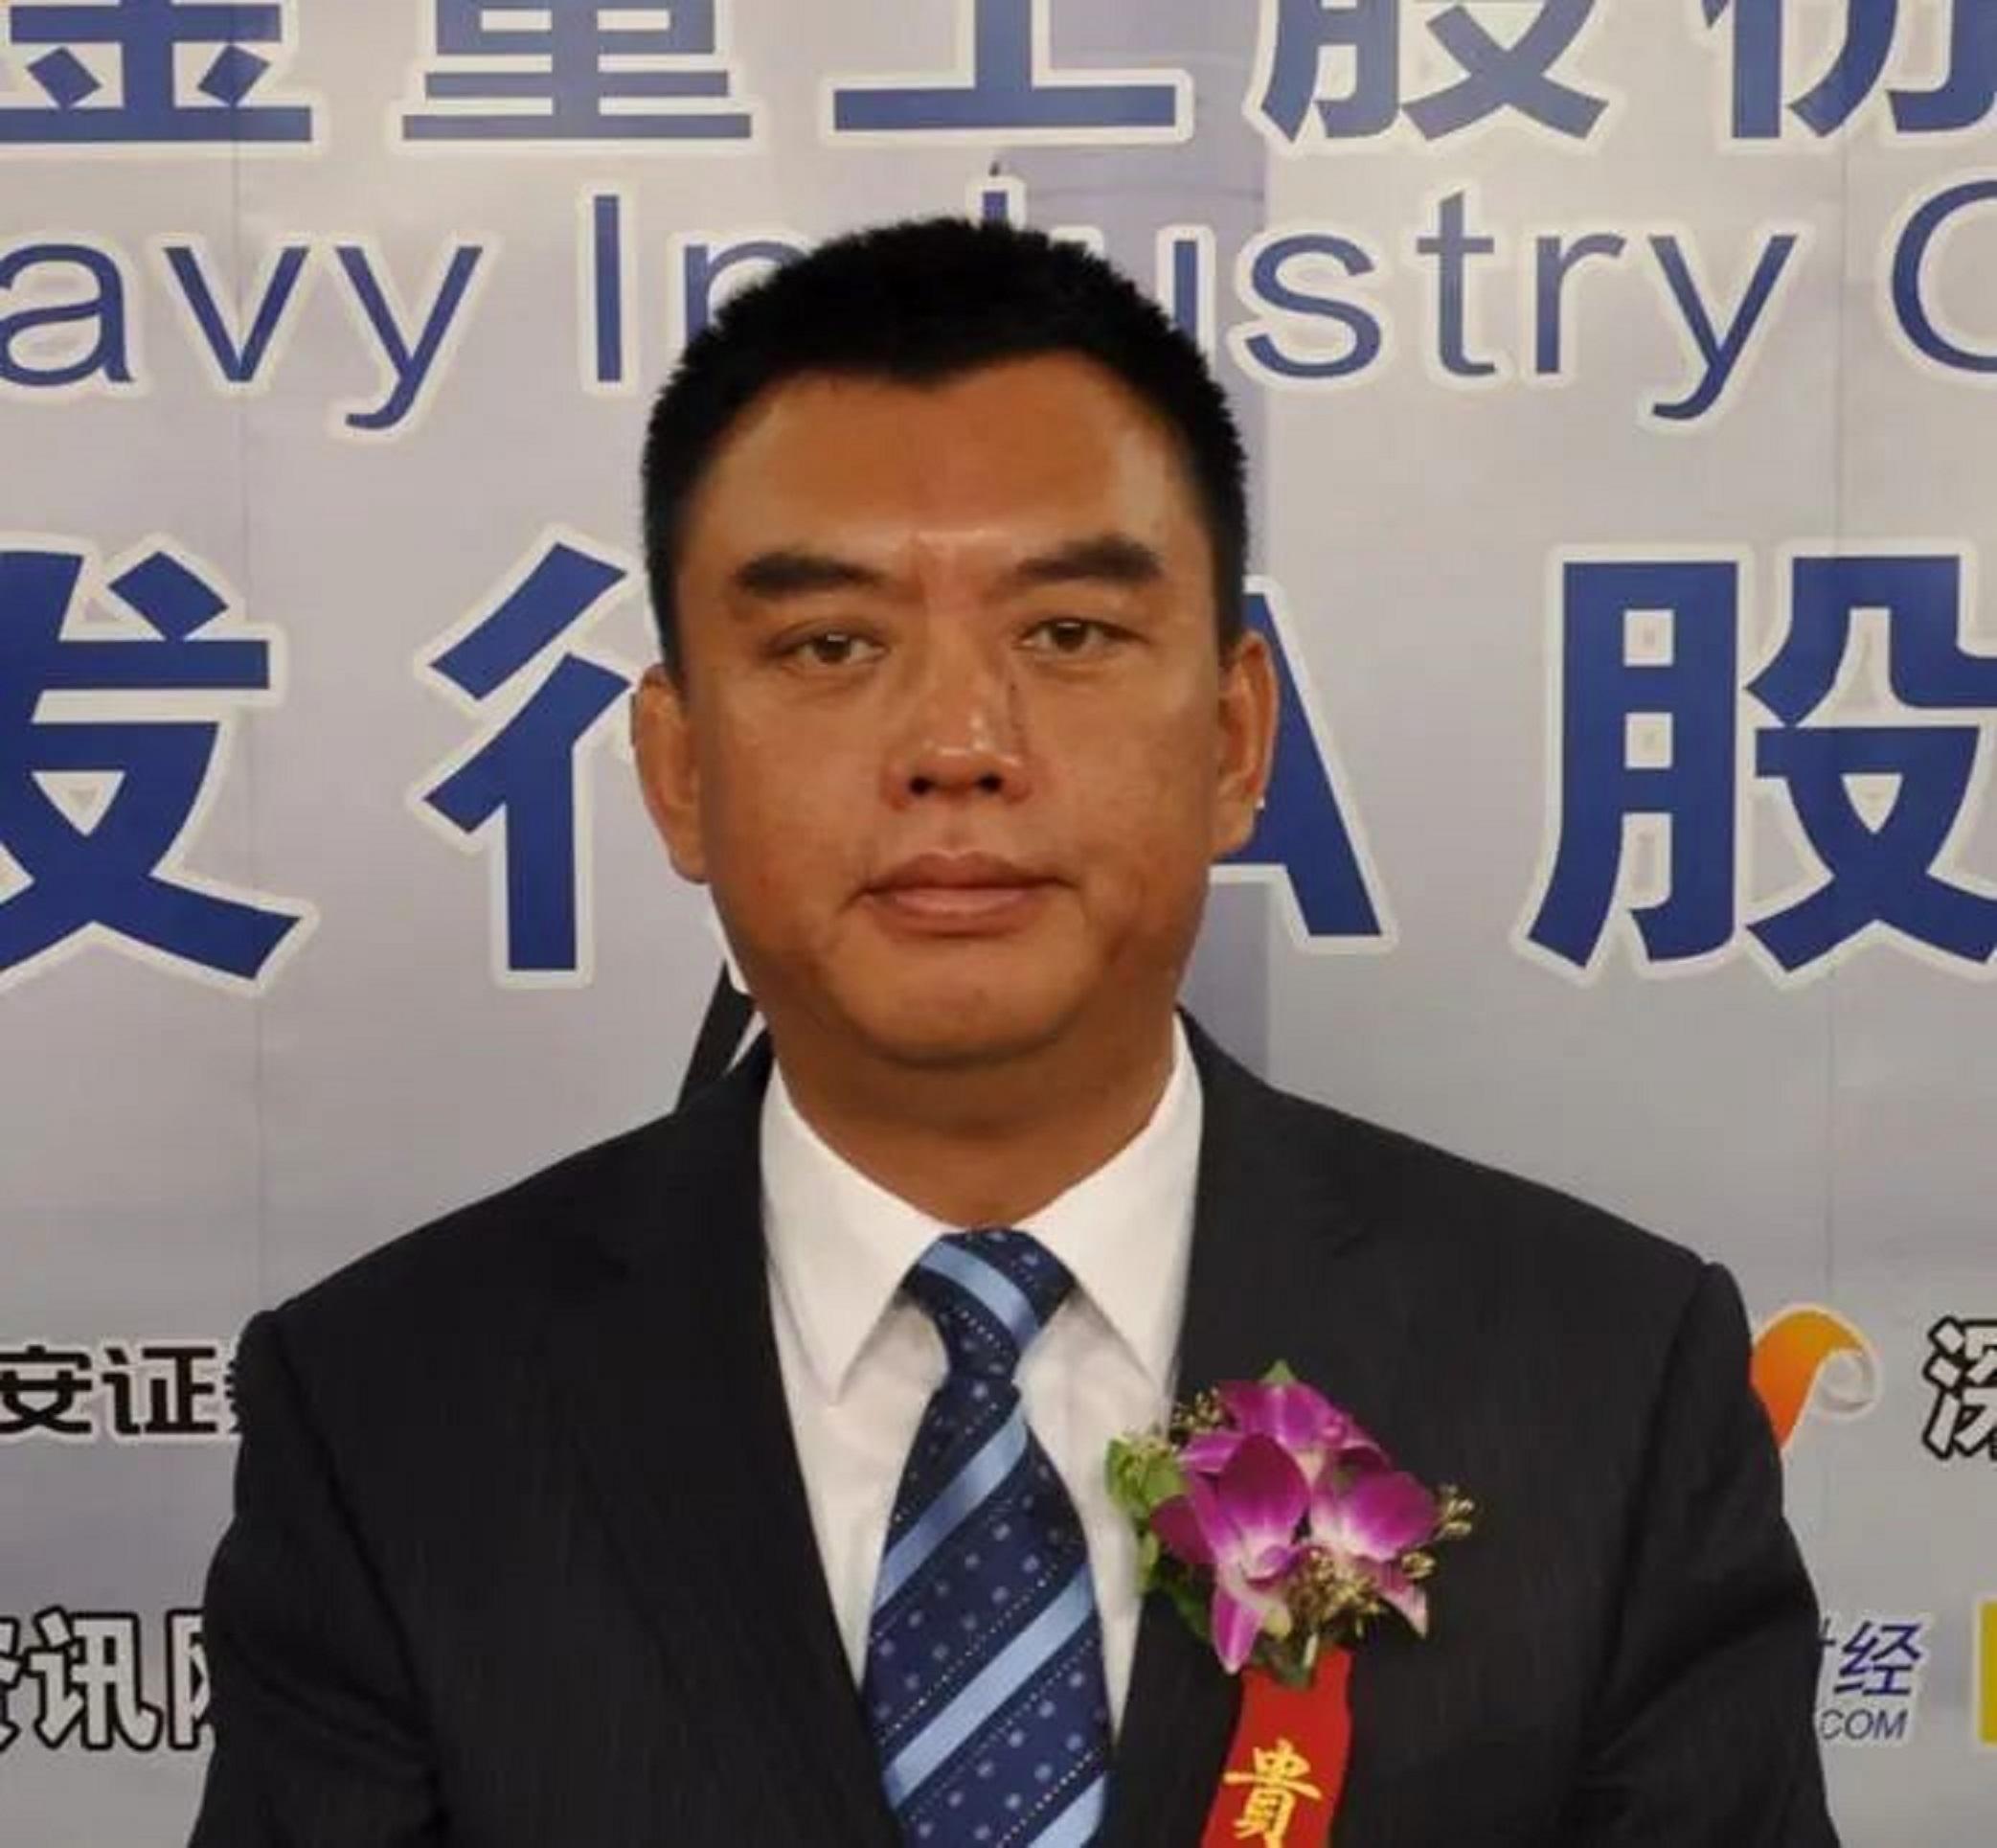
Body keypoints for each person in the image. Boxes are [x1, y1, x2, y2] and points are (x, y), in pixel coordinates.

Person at [189, 217, 1835, 1847]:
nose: (957, 743)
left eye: (1066, 633)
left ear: (1234, 739)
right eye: (830, 644)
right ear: (678, 770)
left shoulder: (1603, 1381)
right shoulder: (395, 1415)